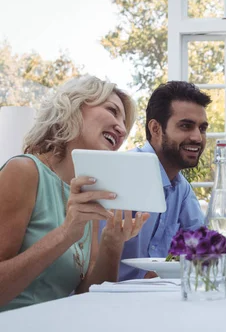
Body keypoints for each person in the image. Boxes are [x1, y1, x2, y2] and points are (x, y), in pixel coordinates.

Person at [0, 76, 149, 311]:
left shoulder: (84, 193)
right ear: (74, 107)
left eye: (124, 123)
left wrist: (112, 243)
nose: (121, 129)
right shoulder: (23, 171)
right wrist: (66, 233)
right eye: (112, 111)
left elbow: (88, 296)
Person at [115, 81, 212, 280]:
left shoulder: (181, 187)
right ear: (156, 129)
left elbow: (202, 247)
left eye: (202, 128)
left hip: (157, 300)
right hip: (109, 300)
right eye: (186, 126)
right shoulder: (122, 172)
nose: (197, 137)